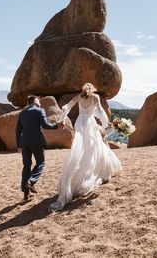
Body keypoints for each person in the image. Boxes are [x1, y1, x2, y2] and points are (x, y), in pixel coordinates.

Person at [49, 83, 122, 212]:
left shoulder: (78, 97)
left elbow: (67, 107)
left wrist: (62, 119)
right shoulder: (95, 97)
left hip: (79, 123)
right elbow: (99, 111)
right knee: (93, 147)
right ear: (92, 89)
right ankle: (94, 170)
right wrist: (105, 123)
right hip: (90, 123)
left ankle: (78, 173)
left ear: (83, 89)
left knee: (81, 147)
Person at [16, 95, 60, 200]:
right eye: (38, 100)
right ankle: (31, 180)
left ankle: (26, 194)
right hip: (37, 142)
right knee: (41, 162)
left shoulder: (22, 113)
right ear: (35, 101)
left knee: (26, 166)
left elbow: (18, 131)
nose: (40, 102)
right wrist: (57, 126)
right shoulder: (40, 110)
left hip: (24, 143)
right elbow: (45, 125)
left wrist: (19, 145)